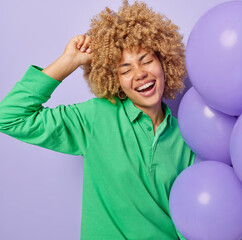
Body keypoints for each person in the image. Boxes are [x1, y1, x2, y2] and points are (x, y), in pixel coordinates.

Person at [0, 0, 194, 239]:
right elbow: (10, 117)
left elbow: (190, 219)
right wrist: (68, 62)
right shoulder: (94, 117)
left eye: (146, 60)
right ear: (115, 80)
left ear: (165, 63)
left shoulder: (189, 136)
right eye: (125, 70)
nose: (140, 74)